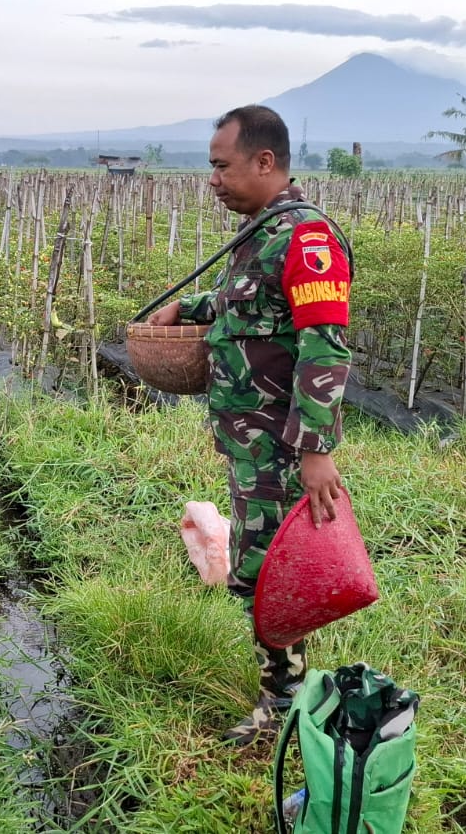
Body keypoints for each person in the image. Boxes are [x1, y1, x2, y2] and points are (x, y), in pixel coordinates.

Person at [147, 105, 354, 746]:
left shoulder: (306, 239)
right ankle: (282, 691)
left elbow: (324, 343)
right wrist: (192, 304)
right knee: (257, 562)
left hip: (280, 444)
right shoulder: (263, 233)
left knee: (269, 570)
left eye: (221, 166)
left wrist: (314, 449)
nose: (212, 179)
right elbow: (253, 307)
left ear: (265, 162)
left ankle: (284, 706)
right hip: (251, 440)